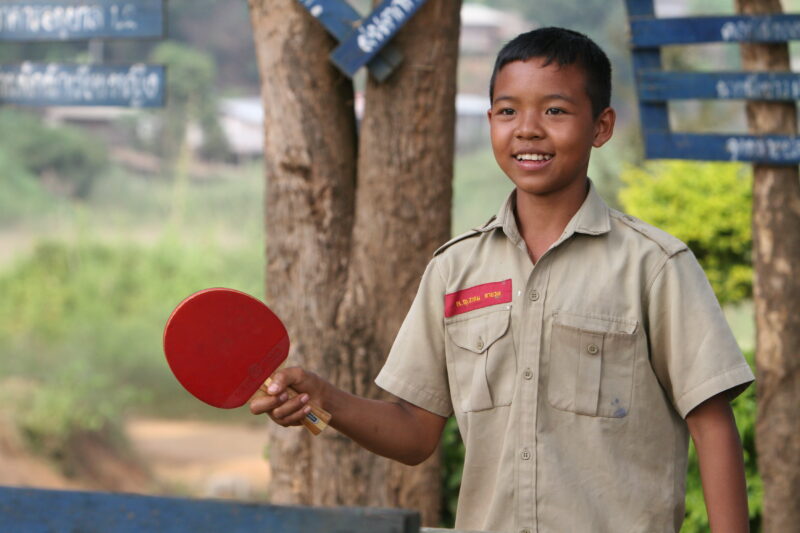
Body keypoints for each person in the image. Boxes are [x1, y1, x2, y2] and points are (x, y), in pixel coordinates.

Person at [249, 27, 754, 533]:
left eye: (555, 111)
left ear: (601, 126)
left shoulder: (655, 266)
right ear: (490, 121)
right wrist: (323, 399)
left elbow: (711, 427)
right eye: (508, 111)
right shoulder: (455, 270)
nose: (528, 129)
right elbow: (415, 433)